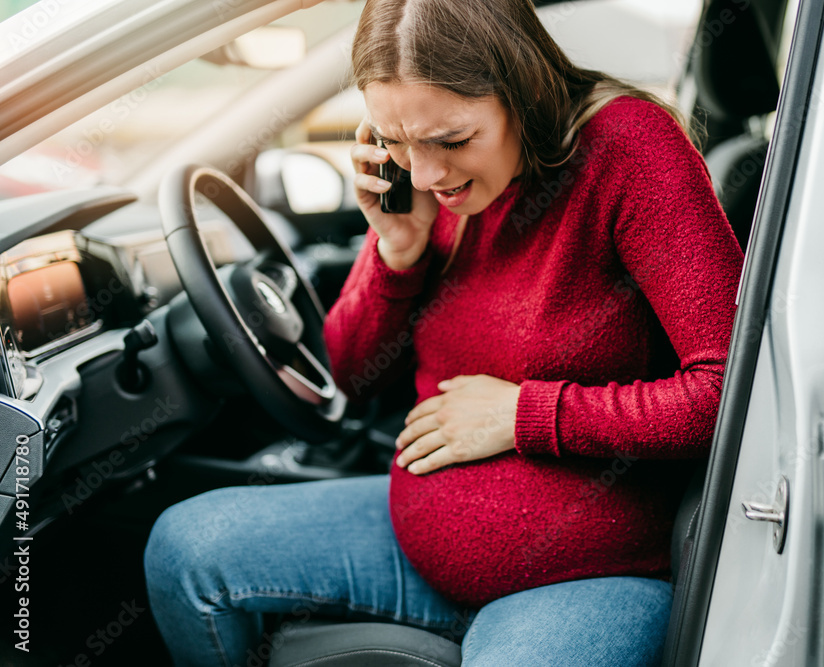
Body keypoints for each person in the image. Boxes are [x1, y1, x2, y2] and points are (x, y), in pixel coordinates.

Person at [143, 0, 744, 664]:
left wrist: (525, 413)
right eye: (397, 142)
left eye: (451, 141)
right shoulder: (432, 194)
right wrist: (398, 249)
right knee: (187, 549)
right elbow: (346, 370)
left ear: (523, 91)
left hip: (591, 573)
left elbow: (729, 396)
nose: (425, 173)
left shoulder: (629, 148)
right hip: (417, 544)